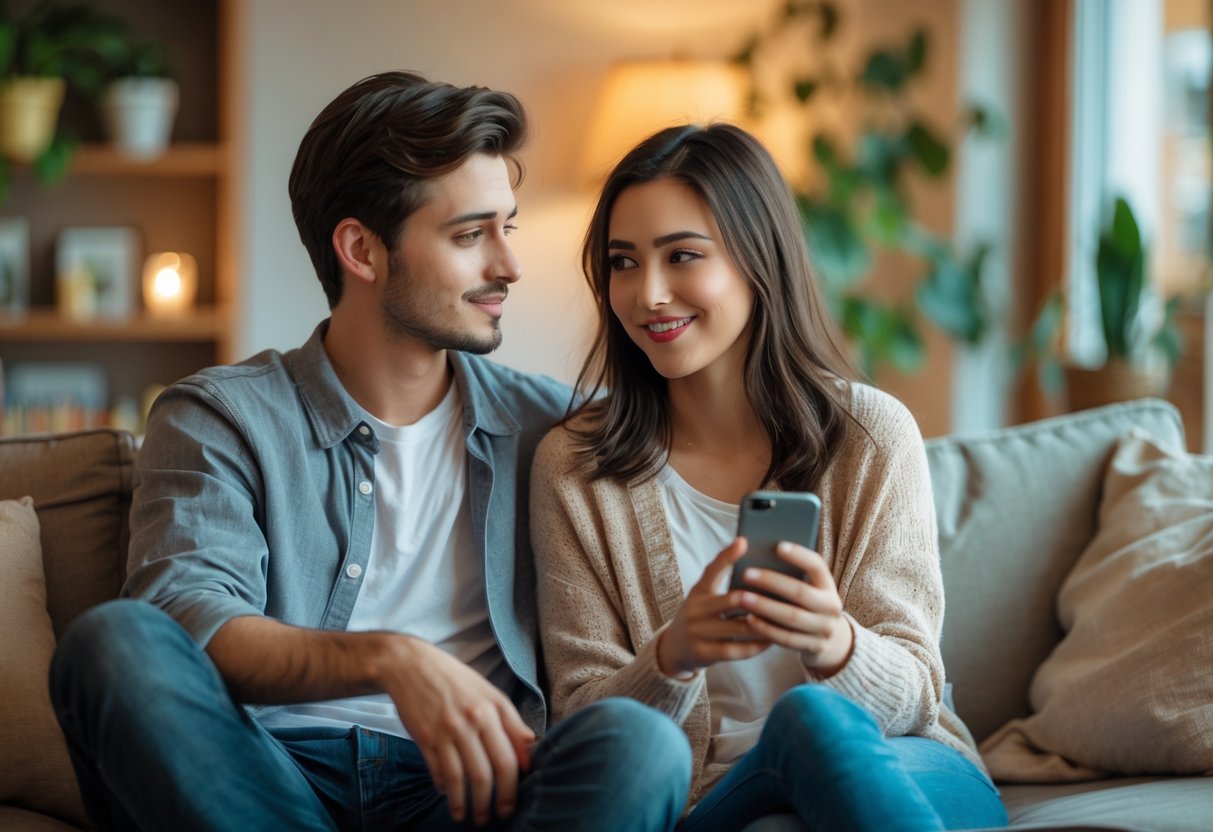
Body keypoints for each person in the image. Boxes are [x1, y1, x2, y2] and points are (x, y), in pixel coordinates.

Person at [49, 71, 691, 832]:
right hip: (268, 778)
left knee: (640, 745)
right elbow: (188, 614)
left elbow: (717, 424)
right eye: (469, 235)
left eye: (506, 227)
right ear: (361, 249)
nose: (508, 266)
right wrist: (392, 659)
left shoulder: (551, 426)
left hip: (478, 792)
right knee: (113, 644)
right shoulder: (219, 416)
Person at [530, 123, 1009, 831]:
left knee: (811, 720)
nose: (648, 294)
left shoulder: (870, 436)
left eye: (682, 256)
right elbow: (584, 723)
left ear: (759, 260)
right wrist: (670, 654)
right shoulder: (575, 467)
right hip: (714, 797)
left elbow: (915, 692)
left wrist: (835, 644)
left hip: (901, 764)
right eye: (623, 262)